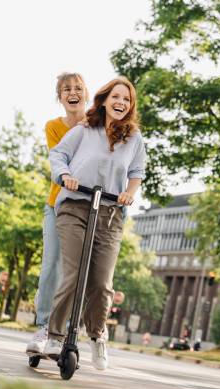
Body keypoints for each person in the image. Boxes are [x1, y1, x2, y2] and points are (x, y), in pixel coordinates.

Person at [44, 77, 146, 371]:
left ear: (130, 106)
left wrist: (129, 193)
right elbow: (58, 154)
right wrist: (65, 176)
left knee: (102, 284)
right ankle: (54, 334)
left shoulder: (134, 138)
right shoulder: (85, 129)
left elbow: (137, 172)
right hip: (76, 205)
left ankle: (98, 335)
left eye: (126, 100)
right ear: (104, 100)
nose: (121, 103)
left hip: (110, 213)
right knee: (74, 275)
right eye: (116, 97)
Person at [26, 72, 89, 354]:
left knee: (72, 271)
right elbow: (60, 159)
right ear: (60, 97)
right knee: (51, 265)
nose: (72, 92)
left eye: (77, 88)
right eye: (66, 89)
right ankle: (43, 325)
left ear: (86, 93)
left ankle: (62, 329)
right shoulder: (54, 126)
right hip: (58, 204)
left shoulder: (98, 124)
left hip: (87, 206)